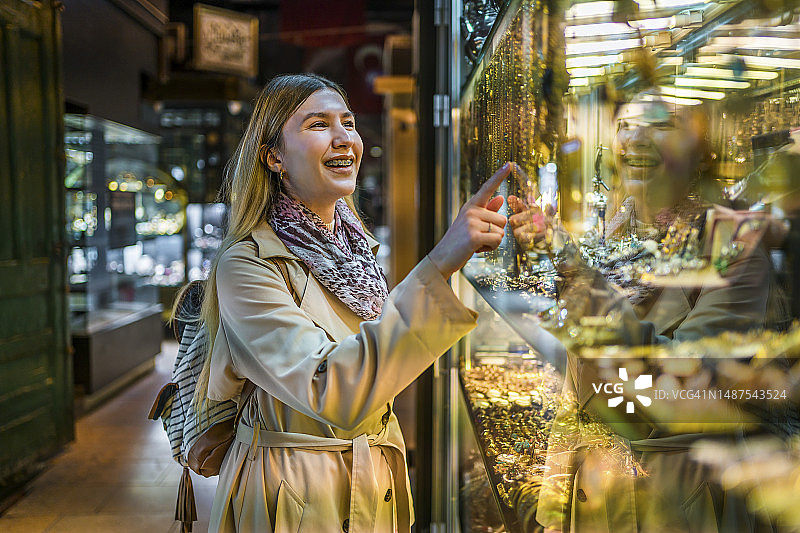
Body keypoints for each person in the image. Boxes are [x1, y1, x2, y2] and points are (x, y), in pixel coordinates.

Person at [193, 73, 511, 533]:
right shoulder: (246, 265)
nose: (345, 138)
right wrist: (440, 263)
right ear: (274, 156)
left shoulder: (353, 251)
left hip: (372, 479)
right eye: (318, 124)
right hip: (293, 493)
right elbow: (331, 390)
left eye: (348, 122)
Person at [507, 90, 790, 532]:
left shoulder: (734, 247)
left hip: (675, 499)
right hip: (595, 490)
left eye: (661, 125)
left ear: (703, 154)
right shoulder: (612, 235)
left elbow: (675, 388)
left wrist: (572, 270)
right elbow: (581, 381)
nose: (636, 137)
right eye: (625, 125)